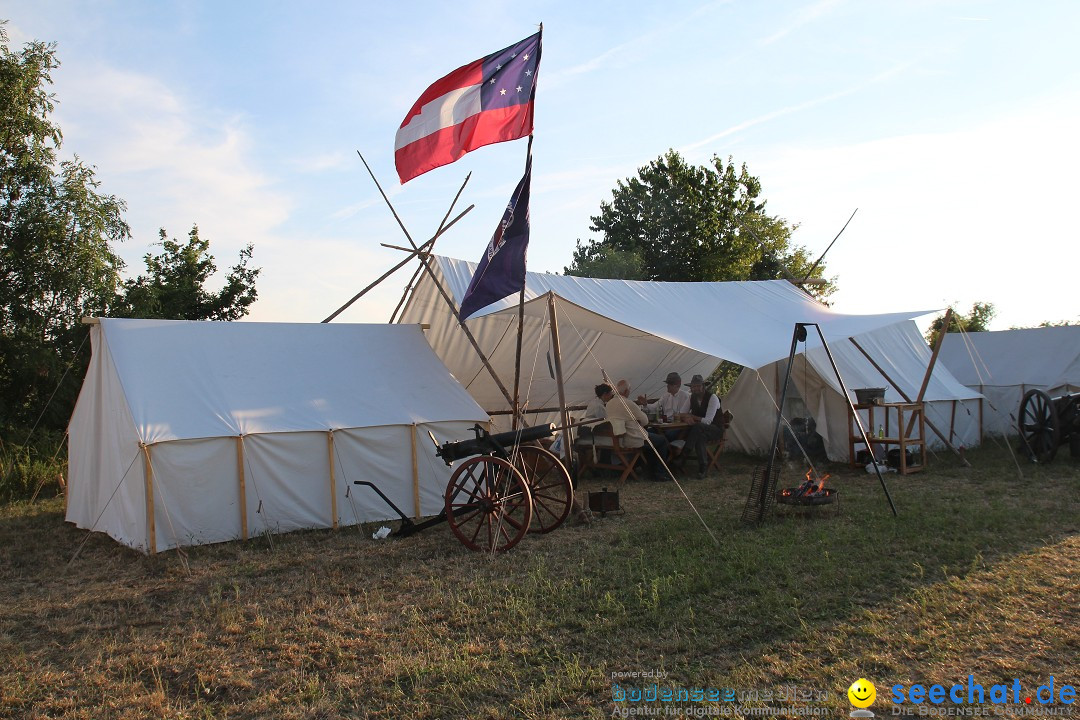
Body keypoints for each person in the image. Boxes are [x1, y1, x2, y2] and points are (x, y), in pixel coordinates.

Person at [603, 385, 671, 481]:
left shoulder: (609, 404)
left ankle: (649, 470)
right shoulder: (628, 403)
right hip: (632, 437)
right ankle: (659, 473)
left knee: (653, 439)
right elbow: (645, 421)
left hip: (619, 438)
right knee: (662, 440)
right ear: (626, 391)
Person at [682, 374, 727, 479]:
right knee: (699, 436)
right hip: (701, 431)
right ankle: (703, 468)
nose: (695, 388)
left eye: (698, 386)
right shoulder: (691, 397)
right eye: (693, 387)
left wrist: (692, 416)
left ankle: (684, 454)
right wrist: (685, 418)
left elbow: (707, 421)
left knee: (697, 427)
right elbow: (681, 413)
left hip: (716, 430)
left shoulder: (712, 398)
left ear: (703, 386)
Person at [637, 371, 691, 439]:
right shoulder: (666, 396)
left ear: (678, 385)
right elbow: (654, 407)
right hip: (664, 426)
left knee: (665, 436)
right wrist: (645, 404)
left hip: (677, 427)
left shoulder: (685, 396)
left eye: (670, 384)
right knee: (646, 433)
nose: (668, 386)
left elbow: (683, 415)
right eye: (667, 383)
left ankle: (664, 447)